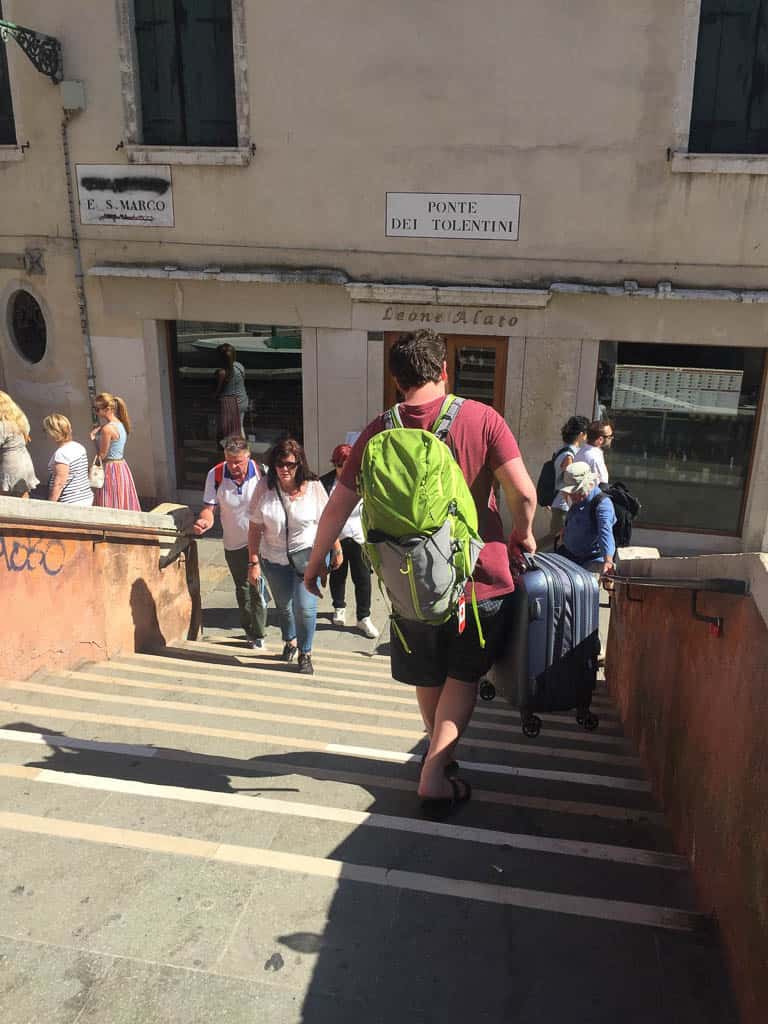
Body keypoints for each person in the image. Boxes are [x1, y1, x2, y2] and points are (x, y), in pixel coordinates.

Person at [303, 329, 537, 816]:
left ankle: (435, 758)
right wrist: (523, 534)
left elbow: (335, 509)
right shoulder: (482, 418)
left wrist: (314, 563)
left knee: (429, 674)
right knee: (464, 675)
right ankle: (435, 771)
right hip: (478, 580)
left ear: (396, 380)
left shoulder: (376, 431)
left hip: (408, 582)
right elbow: (525, 495)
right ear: (444, 371)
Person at [247, 438, 343, 675]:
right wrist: (253, 562)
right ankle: (289, 639)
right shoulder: (264, 487)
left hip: (307, 556)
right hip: (273, 558)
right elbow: (254, 527)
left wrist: (336, 547)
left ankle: (305, 653)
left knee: (306, 608)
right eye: (280, 464)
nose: (285, 469)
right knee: (285, 607)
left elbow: (327, 521)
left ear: (300, 464)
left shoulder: (313, 487)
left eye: (290, 464)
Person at [192, 436, 268, 649]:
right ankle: (249, 630)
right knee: (242, 588)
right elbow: (209, 507)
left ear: (248, 456)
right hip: (233, 542)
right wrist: (204, 521)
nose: (233, 466)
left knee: (256, 585)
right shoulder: (215, 474)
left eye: (238, 461)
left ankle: (259, 633)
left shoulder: (261, 471)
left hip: (261, 541)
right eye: (229, 460)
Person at [320, 443, 379, 640]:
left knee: (363, 578)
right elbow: (323, 514)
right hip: (337, 536)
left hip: (360, 537)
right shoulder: (325, 483)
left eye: (348, 466)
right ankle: (339, 607)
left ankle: (364, 617)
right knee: (338, 574)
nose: (344, 471)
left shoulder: (364, 481)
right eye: (340, 466)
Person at [557, 462, 616, 578]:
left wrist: (608, 561)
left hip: (590, 562)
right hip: (569, 556)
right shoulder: (577, 498)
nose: (572, 496)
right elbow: (574, 517)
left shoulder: (603, 505)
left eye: (576, 491)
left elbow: (606, 532)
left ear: (588, 484)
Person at [90, 392, 141, 511]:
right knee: (122, 499)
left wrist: (93, 440)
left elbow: (102, 455)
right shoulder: (121, 424)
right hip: (122, 467)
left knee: (109, 500)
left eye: (97, 409)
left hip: (111, 468)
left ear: (107, 409)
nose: (95, 411)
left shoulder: (107, 429)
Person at [547, 415, 589, 541]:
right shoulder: (569, 454)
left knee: (555, 539)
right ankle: (526, 555)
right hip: (563, 504)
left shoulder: (561, 450)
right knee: (555, 539)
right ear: (581, 434)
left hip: (559, 502)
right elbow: (570, 480)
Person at [42, 414, 93, 506]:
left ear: (53, 432)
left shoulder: (61, 454)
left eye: (45, 430)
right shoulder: (78, 446)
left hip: (70, 502)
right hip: (85, 497)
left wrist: (49, 505)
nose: (44, 433)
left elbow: (59, 483)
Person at [0, 391, 39, 498]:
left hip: (9, 464)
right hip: (25, 461)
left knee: (4, 499)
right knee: (23, 496)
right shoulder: (21, 420)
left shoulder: (3, 425)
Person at [214, 343, 248, 441]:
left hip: (229, 403)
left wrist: (213, 396)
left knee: (227, 430)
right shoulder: (239, 366)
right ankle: (243, 448)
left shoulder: (221, 372)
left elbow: (219, 390)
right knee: (239, 426)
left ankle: (229, 451)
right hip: (242, 399)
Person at [573, 419, 613, 484]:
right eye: (610, 436)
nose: (612, 438)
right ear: (600, 439)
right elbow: (601, 485)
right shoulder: (594, 458)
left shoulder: (583, 451)